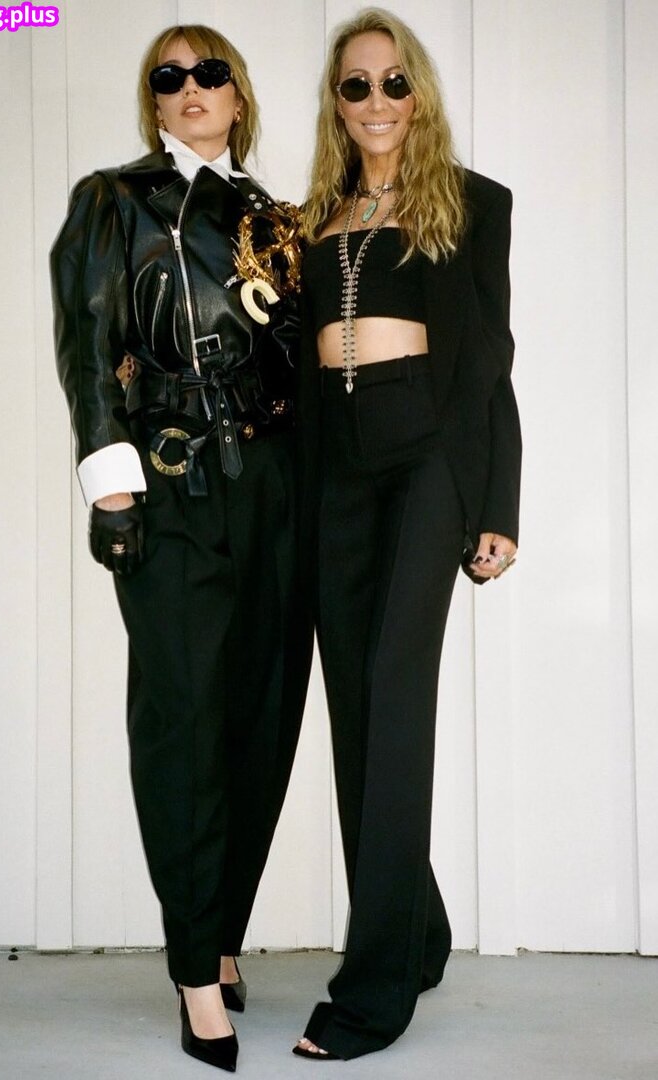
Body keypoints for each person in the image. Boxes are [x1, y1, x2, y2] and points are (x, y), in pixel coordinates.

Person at [50, 24, 312, 1073]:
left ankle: (223, 926)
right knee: (186, 724)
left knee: (263, 719)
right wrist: (111, 486)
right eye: (171, 75)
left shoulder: (277, 220)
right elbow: (87, 344)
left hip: (278, 493)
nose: (192, 87)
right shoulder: (114, 201)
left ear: (238, 95)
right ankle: (195, 969)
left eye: (210, 72)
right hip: (173, 487)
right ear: (154, 101)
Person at [293, 7, 522, 1061]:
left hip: (428, 458)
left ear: (417, 93)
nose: (376, 100)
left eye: (394, 82)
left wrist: (498, 505)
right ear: (336, 104)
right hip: (335, 466)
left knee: (394, 695)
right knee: (356, 708)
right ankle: (419, 928)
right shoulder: (314, 217)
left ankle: (376, 985)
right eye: (356, 85)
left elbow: (490, 364)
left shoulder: (471, 204)